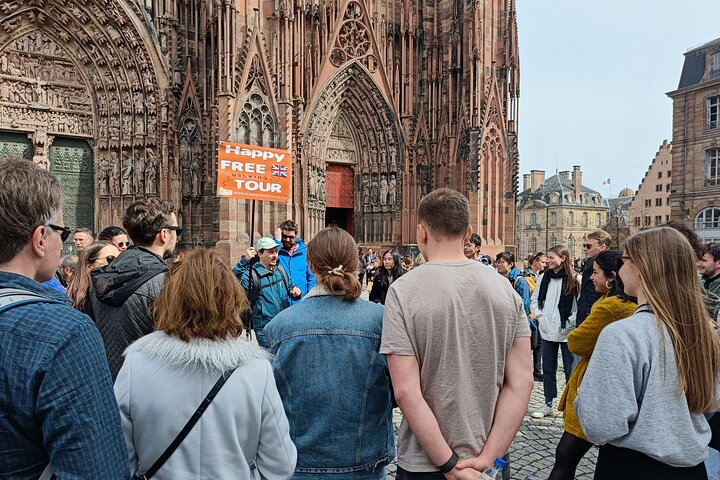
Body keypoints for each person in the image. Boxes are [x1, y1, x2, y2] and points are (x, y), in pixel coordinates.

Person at [381, 188, 533, 479]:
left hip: (425, 463)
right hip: (488, 462)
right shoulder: (504, 289)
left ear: (421, 233)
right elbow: (523, 381)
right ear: (469, 234)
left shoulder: (403, 290)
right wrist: (488, 457)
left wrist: (450, 465)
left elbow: (406, 392)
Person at [115, 248, 296, 479]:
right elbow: (280, 465)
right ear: (231, 299)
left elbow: (118, 456)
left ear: (171, 297)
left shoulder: (137, 365)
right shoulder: (256, 371)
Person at [0, 158, 128, 479]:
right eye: (61, 230)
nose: (64, 240)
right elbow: (97, 471)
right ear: (40, 238)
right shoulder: (65, 333)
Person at [575, 227, 720, 479]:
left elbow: (600, 424)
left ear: (641, 266)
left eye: (624, 260)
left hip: (632, 466)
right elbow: (709, 404)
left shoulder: (623, 334)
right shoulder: (704, 332)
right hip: (692, 469)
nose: (620, 267)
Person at [265, 227, 395, 478]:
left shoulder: (279, 326)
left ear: (311, 265)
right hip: (364, 463)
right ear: (355, 264)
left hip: (299, 463)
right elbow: (401, 390)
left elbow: (268, 401)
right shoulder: (381, 321)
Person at [549, 250, 636, 480]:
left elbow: (577, 342)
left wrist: (578, 333)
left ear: (611, 277)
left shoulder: (612, 307)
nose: (590, 277)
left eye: (595, 272)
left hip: (596, 386)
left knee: (566, 454)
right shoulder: (610, 301)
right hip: (604, 383)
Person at [87, 198, 178, 380]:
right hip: (150, 389)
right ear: (164, 234)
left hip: (111, 386)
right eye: (177, 230)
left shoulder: (100, 279)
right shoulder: (165, 284)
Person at [530, 245, 578, 419]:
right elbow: (535, 300)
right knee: (549, 369)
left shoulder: (574, 278)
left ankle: (569, 405)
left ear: (562, 258)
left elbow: (579, 305)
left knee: (569, 370)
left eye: (551, 257)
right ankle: (548, 403)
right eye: (547, 258)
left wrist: (570, 322)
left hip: (567, 331)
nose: (548, 261)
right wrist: (541, 317)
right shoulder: (544, 278)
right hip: (547, 330)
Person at [233, 237, 301, 349]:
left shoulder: (280, 270)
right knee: (271, 360)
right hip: (265, 328)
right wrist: (244, 261)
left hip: (284, 322)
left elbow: (290, 287)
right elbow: (233, 282)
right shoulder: (251, 275)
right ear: (259, 253)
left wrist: (295, 292)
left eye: (276, 251)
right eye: (270, 252)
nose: (275, 255)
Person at [66, 241, 120, 313]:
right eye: (110, 259)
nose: (117, 264)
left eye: (120, 259)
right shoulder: (89, 295)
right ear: (89, 266)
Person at [576, 230, 611, 327]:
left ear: (602, 247)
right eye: (584, 246)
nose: (585, 249)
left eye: (589, 246)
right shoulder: (590, 264)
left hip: (593, 314)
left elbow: (592, 295)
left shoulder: (604, 266)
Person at [276, 219, 316, 303]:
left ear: (296, 236)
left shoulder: (305, 251)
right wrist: (277, 242)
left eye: (291, 237)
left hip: (301, 301)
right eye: (285, 236)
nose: (287, 240)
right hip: (280, 303)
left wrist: (309, 298)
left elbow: (311, 278)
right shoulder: (275, 251)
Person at [526, 251, 547, 380]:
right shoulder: (526, 275)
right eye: (543, 262)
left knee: (539, 343)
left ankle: (537, 370)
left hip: (538, 313)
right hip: (530, 314)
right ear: (535, 262)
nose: (545, 264)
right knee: (530, 343)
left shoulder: (540, 275)